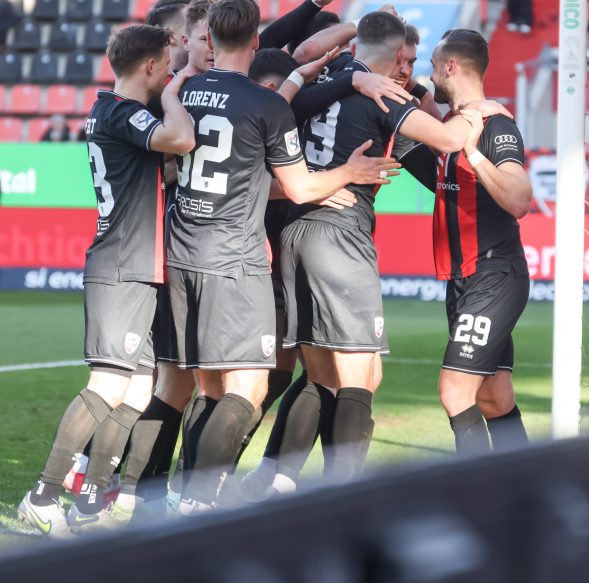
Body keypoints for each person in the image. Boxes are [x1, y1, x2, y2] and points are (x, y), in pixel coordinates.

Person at [168, 0, 399, 514]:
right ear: (256, 41)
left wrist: (304, 76)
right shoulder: (264, 104)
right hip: (234, 257)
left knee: (208, 387)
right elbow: (298, 188)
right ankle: (199, 506)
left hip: (182, 250)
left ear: (210, 40)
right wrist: (348, 174)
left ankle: (184, 495)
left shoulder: (183, 90)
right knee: (249, 387)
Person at [272, 12, 493, 493]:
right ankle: (343, 493)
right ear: (395, 56)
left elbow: (295, 70)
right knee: (362, 375)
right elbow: (449, 141)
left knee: (320, 375)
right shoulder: (384, 94)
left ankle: (275, 480)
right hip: (340, 234)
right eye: (406, 61)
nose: (408, 70)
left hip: (293, 229)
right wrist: (482, 110)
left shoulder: (328, 77)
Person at [17, 23, 196, 537]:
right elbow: (181, 139)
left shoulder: (112, 112)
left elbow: (157, 170)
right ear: (150, 67)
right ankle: (42, 496)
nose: (170, 75)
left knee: (137, 393)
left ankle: (90, 505)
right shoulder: (122, 110)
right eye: (167, 67)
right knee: (108, 385)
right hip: (121, 267)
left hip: (138, 266)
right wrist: (178, 93)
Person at [429, 29, 532, 455]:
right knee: (493, 397)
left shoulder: (496, 127)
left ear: (450, 67)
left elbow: (520, 199)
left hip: (494, 274)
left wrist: (473, 153)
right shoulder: (452, 126)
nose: (430, 75)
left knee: (455, 391)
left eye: (433, 66)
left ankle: (477, 489)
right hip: (464, 280)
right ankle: (526, 483)